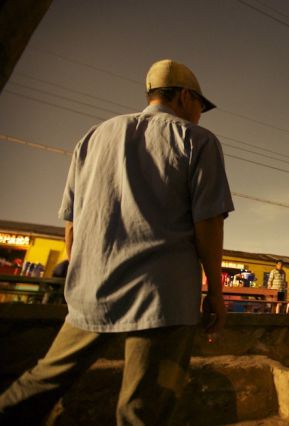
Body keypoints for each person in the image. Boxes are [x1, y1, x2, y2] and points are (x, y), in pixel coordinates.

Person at [0, 59, 234, 424]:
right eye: (200, 107)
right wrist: (216, 292)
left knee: (42, 381)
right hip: (161, 299)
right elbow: (208, 224)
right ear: (186, 97)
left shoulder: (93, 137)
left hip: (92, 291)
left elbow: (72, 228)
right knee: (142, 410)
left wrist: (84, 276)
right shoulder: (197, 140)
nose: (200, 115)